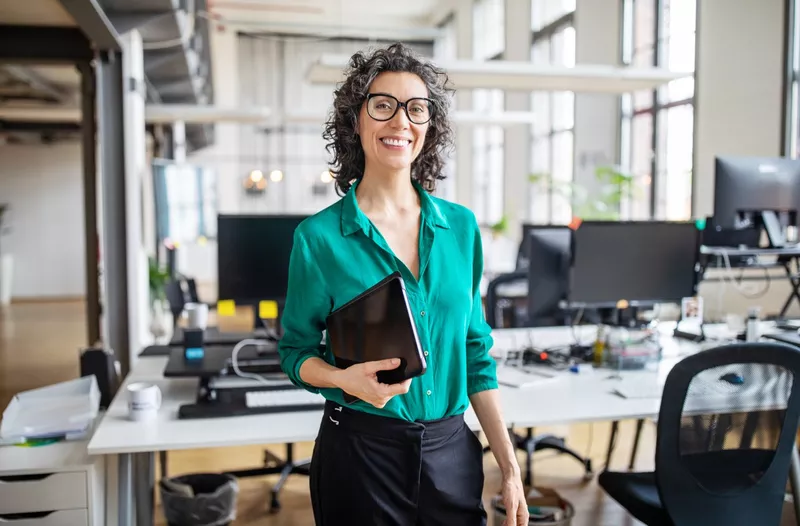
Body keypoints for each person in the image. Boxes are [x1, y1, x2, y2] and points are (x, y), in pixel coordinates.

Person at [278, 42, 528, 526]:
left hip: (452, 452)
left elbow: (476, 354)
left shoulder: (460, 228)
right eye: (383, 105)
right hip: (359, 455)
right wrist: (338, 379)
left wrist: (510, 467)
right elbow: (295, 352)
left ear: (429, 126)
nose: (400, 121)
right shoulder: (318, 239)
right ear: (356, 121)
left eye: (416, 109)